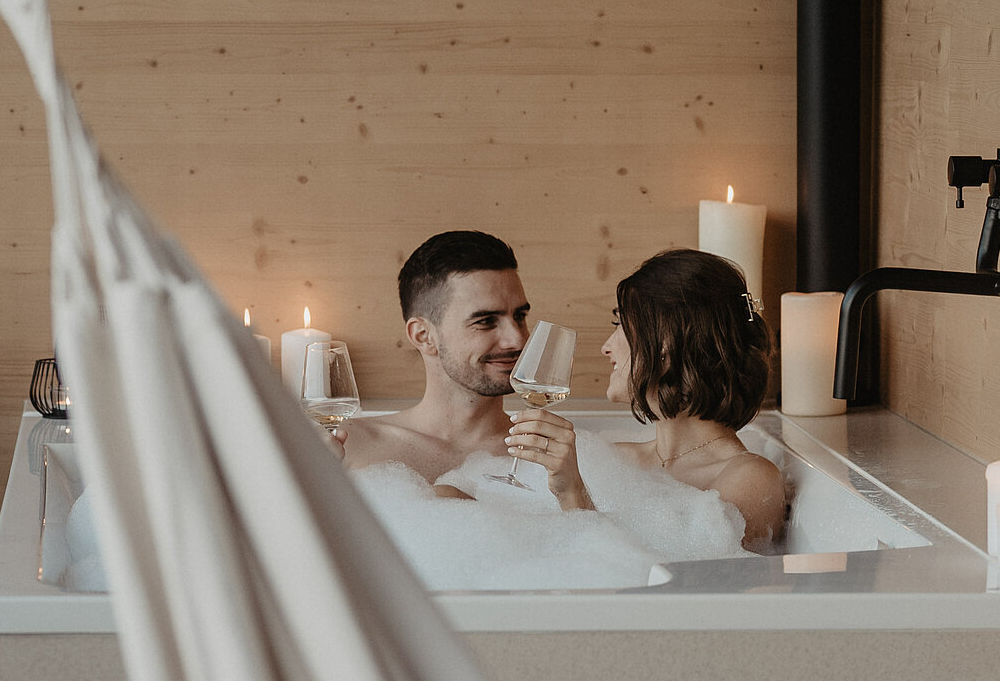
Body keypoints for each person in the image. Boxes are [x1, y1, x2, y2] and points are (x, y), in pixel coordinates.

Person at [523, 249, 786, 547]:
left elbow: (660, 575)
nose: (606, 347)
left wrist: (572, 493)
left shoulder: (749, 479)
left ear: (665, 343)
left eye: (620, 325)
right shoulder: (614, 460)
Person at [336, 230, 587, 508]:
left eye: (519, 316)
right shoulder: (349, 447)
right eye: (486, 321)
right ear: (423, 336)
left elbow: (596, 536)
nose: (517, 340)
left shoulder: (555, 458)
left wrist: (572, 492)